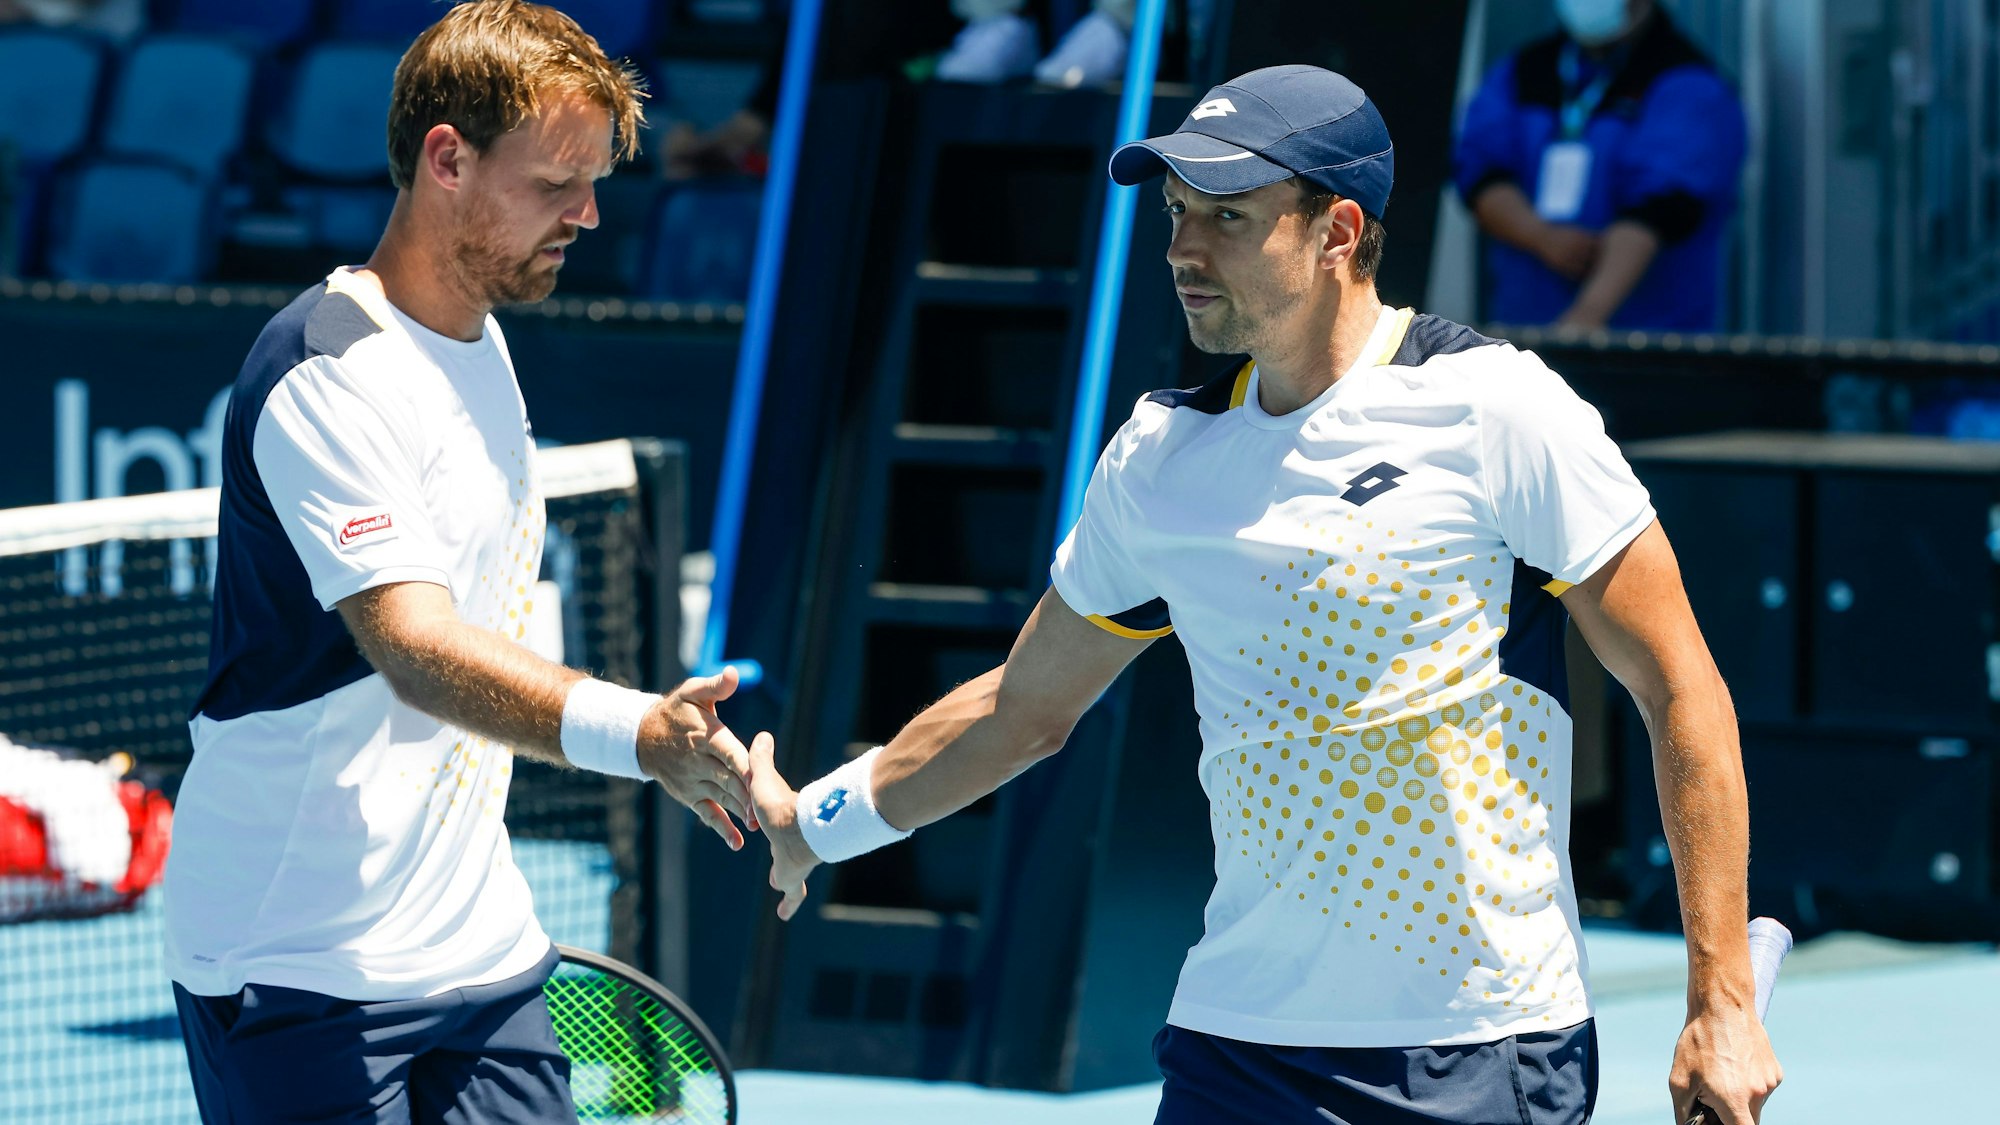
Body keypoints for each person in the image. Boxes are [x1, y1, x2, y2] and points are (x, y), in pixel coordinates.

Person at [744, 64, 1783, 1124]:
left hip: (1473, 1049)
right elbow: (1021, 708)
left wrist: (1720, 1002)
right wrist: (816, 824)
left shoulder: (1495, 409)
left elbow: (1678, 694)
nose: (1183, 252)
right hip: (1233, 1048)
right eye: (1176, 214)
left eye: (1228, 219)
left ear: (1336, 231)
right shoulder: (1158, 458)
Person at [161, 3, 757, 1121]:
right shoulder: (325, 368)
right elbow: (420, 651)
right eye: (552, 184)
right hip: (298, 964)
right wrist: (640, 734)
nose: (585, 214)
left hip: (479, 954)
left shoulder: (481, 340)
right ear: (447, 158)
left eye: (592, 185)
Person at [1454, 0, 1747, 331]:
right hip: (1524, 338)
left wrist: (1587, 316)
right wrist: (1541, 237)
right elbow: (1479, 173)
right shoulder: (1521, 71)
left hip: (1648, 349)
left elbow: (1662, 207)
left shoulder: (1691, 85)